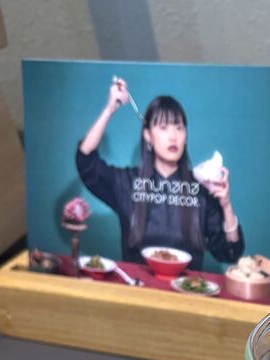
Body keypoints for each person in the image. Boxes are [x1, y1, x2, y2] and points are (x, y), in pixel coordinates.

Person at [76, 79, 244, 268]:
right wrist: (109, 109)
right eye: (163, 128)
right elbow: (85, 160)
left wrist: (226, 205)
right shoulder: (129, 183)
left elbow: (230, 252)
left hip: (186, 287)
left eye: (179, 128)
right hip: (137, 285)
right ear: (148, 136)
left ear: (185, 136)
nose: (173, 136)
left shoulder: (201, 187)